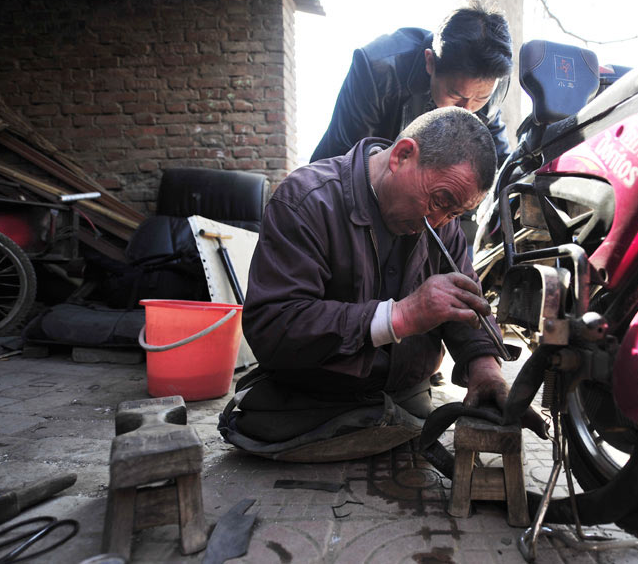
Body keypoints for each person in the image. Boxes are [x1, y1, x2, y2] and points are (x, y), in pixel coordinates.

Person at [218, 107, 543, 462]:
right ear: (403, 155)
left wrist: (486, 370)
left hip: (406, 396)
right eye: (439, 202)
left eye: (453, 213)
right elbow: (273, 326)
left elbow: (464, 304)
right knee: (262, 425)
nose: (436, 221)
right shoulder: (306, 201)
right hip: (314, 401)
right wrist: (401, 316)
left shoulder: (441, 223)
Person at [310, 0, 513, 166]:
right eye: (456, 96)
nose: (467, 110)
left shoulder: (493, 81)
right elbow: (347, 163)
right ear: (430, 62)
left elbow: (500, 162)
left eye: (481, 98)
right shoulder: (378, 70)